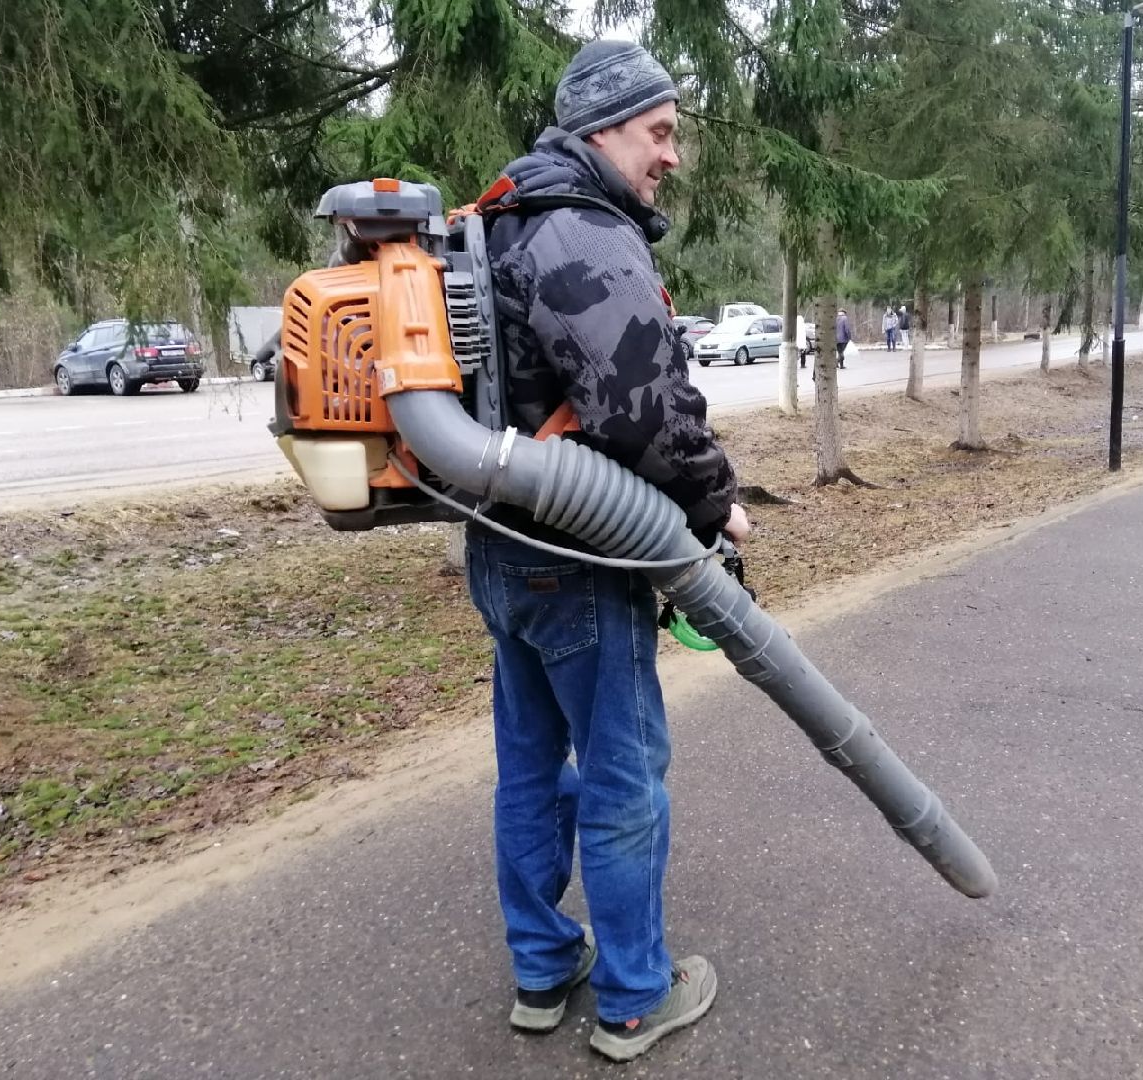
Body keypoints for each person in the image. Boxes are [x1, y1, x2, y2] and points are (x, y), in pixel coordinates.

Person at [466, 39, 749, 1063]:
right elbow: (639, 410)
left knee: (531, 769)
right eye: (658, 133)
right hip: (583, 557)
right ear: (600, 131)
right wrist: (719, 503)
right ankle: (635, 994)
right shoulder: (581, 233)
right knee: (624, 776)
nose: (670, 156)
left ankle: (543, 972)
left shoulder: (498, 223)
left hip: (500, 551)